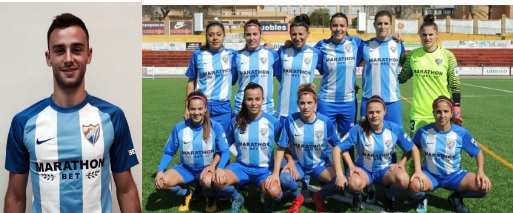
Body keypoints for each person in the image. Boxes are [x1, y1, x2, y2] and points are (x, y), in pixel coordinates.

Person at [4, 13, 141, 213]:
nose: (69, 58)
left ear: (89, 55)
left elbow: (126, 189)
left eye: (76, 49)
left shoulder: (113, 117)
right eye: (60, 50)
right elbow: (15, 197)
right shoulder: (23, 122)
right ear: (48, 58)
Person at [332, 95, 424, 212]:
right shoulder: (358, 128)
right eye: (371, 112)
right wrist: (343, 173)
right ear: (366, 113)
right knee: (353, 184)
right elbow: (337, 149)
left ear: (384, 112)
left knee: (403, 179)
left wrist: (405, 164)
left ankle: (389, 196)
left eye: (378, 112)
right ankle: (357, 196)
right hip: (363, 170)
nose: (374, 115)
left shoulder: (394, 129)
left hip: (385, 171)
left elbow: (413, 149)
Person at [405, 96, 491, 213]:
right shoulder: (423, 131)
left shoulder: (461, 133)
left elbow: (478, 152)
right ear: (433, 113)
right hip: (430, 175)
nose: (442, 115)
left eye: (446, 111)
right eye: (438, 112)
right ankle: (422, 197)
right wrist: (401, 163)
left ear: (451, 114)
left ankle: (456, 197)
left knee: (484, 187)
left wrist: (481, 171)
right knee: (414, 186)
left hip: (454, 176)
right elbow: (411, 149)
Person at [266, 83, 344, 213]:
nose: (306, 107)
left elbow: (338, 146)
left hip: (319, 165)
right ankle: (298, 198)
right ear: (298, 104)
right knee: (284, 179)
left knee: (341, 181)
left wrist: (342, 171)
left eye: (309, 103)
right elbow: (281, 147)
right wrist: (275, 173)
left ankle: (318, 197)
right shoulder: (291, 120)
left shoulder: (325, 122)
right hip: (298, 164)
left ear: (316, 104)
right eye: (302, 103)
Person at [356, 10, 406, 202]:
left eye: (386, 24)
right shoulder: (365, 46)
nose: (382, 27)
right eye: (379, 24)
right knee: (365, 143)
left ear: (391, 26)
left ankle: (389, 183)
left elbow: (405, 64)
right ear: (374, 25)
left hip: (392, 102)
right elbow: (351, 64)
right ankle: (368, 186)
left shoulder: (398, 45)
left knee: (391, 143)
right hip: (369, 101)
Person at [154, 91, 230, 212]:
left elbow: (225, 151)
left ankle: (210, 199)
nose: (196, 112)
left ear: (205, 109)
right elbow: (169, 152)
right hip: (186, 169)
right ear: (188, 109)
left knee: (208, 181)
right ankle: (186, 193)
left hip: (206, 169)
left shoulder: (215, 126)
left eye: (200, 108)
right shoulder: (179, 127)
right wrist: (160, 170)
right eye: (192, 109)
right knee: (162, 183)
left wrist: (217, 167)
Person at [214, 82, 282, 213]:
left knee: (275, 193)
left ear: (263, 100)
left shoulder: (272, 122)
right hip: (241, 168)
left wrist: (279, 171)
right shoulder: (236, 121)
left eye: (257, 99)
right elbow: (224, 147)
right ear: (244, 100)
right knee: (218, 182)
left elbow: (283, 146)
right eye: (249, 99)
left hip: (264, 170)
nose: (254, 103)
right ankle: (237, 197)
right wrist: (219, 168)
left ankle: (268, 200)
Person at [398, 14, 462, 138]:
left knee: (441, 151)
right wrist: (398, 47)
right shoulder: (413, 56)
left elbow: (455, 84)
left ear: (436, 34)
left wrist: (457, 107)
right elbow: (402, 77)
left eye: (431, 34)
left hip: (442, 113)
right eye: (424, 35)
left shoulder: (448, 56)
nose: (427, 38)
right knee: (417, 152)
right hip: (418, 113)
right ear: (420, 36)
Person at [184, 21, 237, 132]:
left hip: (223, 107)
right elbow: (191, 82)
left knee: (222, 144)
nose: (215, 38)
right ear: (206, 37)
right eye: (211, 34)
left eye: (218, 34)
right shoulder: (197, 55)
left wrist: (266, 46)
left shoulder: (232, 54)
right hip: (201, 106)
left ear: (224, 36)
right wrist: (187, 107)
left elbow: (234, 78)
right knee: (202, 142)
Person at [275, 14, 322, 125]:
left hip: (306, 109)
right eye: (294, 34)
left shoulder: (315, 54)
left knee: (305, 141)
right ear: (290, 34)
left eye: (301, 34)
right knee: (284, 142)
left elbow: (326, 71)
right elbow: (278, 74)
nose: (297, 37)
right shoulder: (283, 51)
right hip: (284, 109)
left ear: (307, 34)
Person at [232, 19, 280, 116]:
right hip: (241, 108)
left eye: (255, 34)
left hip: (266, 108)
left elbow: (282, 77)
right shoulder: (237, 56)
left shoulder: (272, 54)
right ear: (244, 35)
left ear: (261, 33)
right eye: (248, 34)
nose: (251, 38)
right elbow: (230, 80)